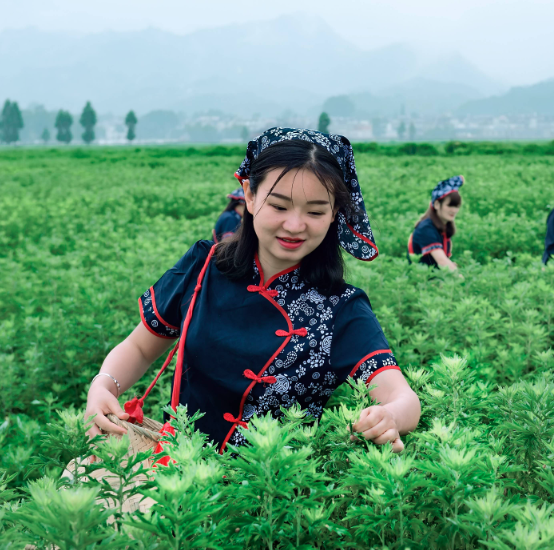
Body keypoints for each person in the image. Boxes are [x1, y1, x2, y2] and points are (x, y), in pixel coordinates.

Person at [85, 128, 421, 455]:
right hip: (176, 468)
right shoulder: (205, 265)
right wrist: (104, 384)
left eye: (316, 211)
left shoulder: (341, 309)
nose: (294, 225)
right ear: (249, 195)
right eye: (279, 206)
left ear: (335, 214)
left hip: (267, 493)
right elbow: (141, 347)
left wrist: (388, 417)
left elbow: (404, 399)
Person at [407, 176, 463, 271]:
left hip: (435, 281)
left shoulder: (442, 228)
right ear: (437, 204)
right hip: (421, 282)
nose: (454, 210)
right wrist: (461, 278)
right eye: (450, 205)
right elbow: (442, 262)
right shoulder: (426, 228)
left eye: (456, 206)